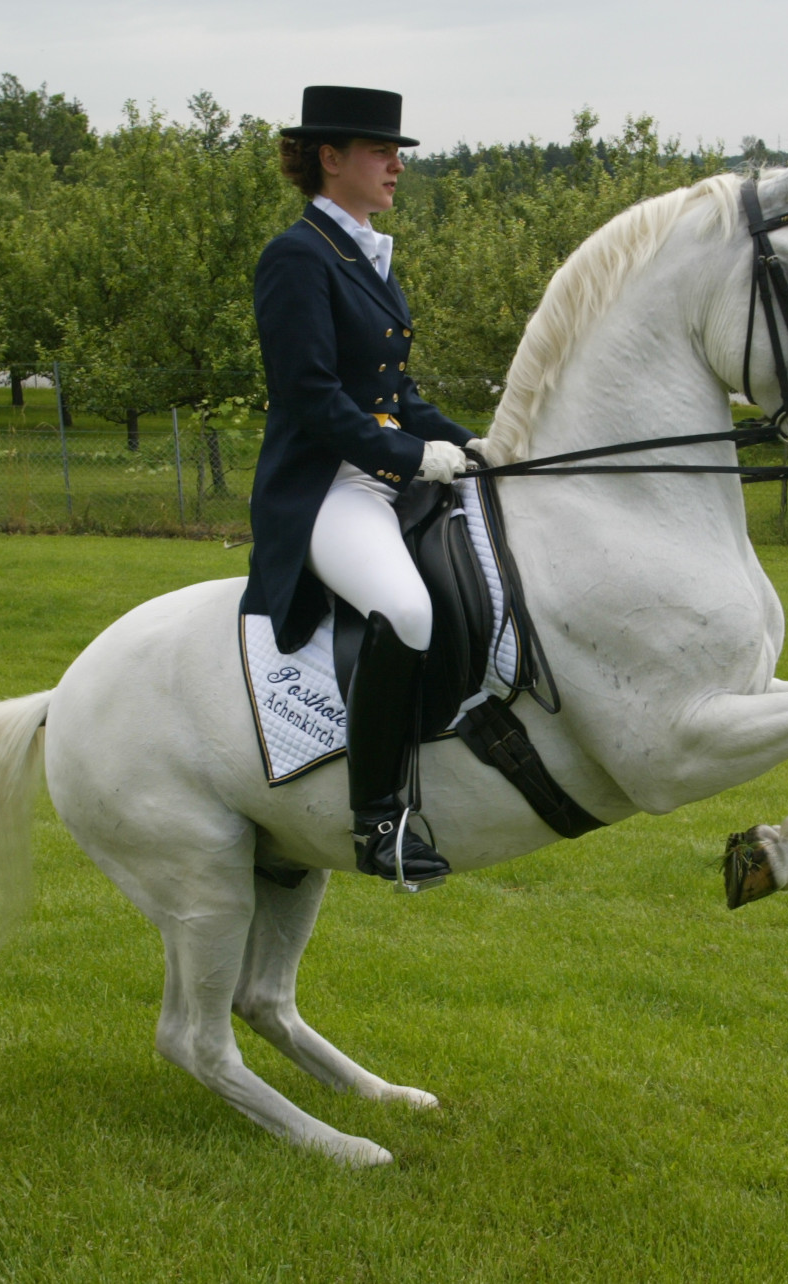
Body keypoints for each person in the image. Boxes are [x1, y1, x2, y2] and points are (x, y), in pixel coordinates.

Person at [241, 86, 479, 885]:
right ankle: (379, 820)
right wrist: (411, 459)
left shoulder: (365, 251)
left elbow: (395, 395)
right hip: (326, 488)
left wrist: (469, 442)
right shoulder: (297, 256)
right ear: (329, 159)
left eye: (398, 153)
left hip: (382, 471)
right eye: (380, 152)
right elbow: (312, 398)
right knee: (404, 609)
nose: (396, 166)